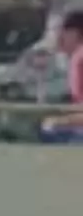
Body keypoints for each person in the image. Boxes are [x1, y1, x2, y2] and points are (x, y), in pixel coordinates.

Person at [38, 11, 83, 141]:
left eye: (60, 30)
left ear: (74, 32)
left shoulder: (80, 59)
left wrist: (60, 121)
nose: (57, 36)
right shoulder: (75, 59)